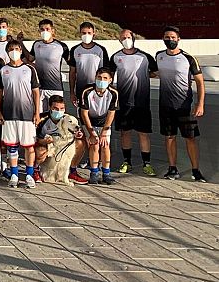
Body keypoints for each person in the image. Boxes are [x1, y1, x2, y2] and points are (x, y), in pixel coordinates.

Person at [156, 26, 206, 182]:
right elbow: (153, 72)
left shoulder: (188, 58)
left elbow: (200, 82)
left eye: (172, 37)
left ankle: (196, 170)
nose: (169, 40)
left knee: (190, 138)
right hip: (165, 106)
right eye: (166, 37)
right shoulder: (159, 56)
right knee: (169, 137)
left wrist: (200, 103)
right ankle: (172, 169)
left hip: (185, 107)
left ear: (178, 39)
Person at [109, 29, 158, 176]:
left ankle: (146, 164)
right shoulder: (115, 57)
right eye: (123, 38)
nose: (126, 39)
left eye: (128, 37)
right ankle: (127, 162)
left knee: (143, 133)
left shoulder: (144, 57)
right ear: (119, 40)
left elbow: (155, 72)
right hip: (124, 102)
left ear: (133, 38)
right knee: (125, 133)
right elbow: (109, 77)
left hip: (141, 102)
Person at [0, 40, 41, 188]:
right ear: (7, 51)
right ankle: (14, 174)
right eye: (10, 49)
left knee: (29, 147)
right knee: (12, 147)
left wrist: (37, 112)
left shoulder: (29, 69)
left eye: (16, 48)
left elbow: (36, 92)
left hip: (27, 114)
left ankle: (29, 175)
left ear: (21, 50)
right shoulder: (3, 70)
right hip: (9, 114)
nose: (13, 51)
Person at [34, 95, 87, 184]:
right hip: (46, 145)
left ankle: (72, 171)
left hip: (62, 146)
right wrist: (44, 141)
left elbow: (76, 130)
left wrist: (78, 134)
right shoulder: (42, 119)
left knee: (80, 143)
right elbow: (34, 139)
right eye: (56, 108)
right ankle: (35, 170)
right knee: (40, 151)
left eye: (62, 108)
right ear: (50, 107)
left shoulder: (68, 118)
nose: (59, 111)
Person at [79, 67, 119, 185]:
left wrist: (104, 132)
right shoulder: (87, 91)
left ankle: (106, 173)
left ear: (110, 80)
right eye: (99, 78)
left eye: (105, 78)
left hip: (104, 121)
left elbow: (111, 113)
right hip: (89, 121)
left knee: (105, 145)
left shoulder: (113, 93)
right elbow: (84, 113)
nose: (101, 80)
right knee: (94, 145)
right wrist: (91, 132)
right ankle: (94, 173)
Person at [28, 19, 70, 112]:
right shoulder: (36, 44)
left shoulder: (61, 46)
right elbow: (29, 59)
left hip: (56, 87)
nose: (45, 31)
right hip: (39, 87)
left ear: (52, 30)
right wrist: (21, 44)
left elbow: (71, 63)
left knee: (56, 116)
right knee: (39, 117)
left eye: (47, 29)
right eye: (42, 29)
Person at [68, 22, 108, 109]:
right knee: (82, 117)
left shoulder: (100, 50)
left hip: (98, 90)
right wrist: (71, 92)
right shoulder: (74, 50)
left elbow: (106, 73)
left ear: (94, 34)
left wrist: (104, 90)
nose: (86, 35)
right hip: (80, 90)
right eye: (84, 33)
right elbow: (72, 73)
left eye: (89, 33)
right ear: (80, 34)